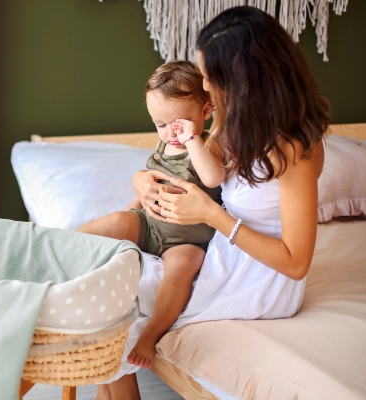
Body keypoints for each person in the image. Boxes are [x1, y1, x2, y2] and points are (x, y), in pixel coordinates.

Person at [96, 6, 330, 399]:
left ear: (240, 78)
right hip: (226, 251)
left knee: (113, 303)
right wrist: (141, 181)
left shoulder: (294, 148)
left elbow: (295, 263)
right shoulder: (237, 122)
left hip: (261, 277)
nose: (204, 87)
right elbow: (185, 164)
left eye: (208, 78)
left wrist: (210, 214)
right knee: (106, 282)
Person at [78, 59, 225, 373]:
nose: (170, 132)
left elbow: (212, 178)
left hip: (186, 239)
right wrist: (132, 212)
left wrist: (192, 138)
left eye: (180, 122)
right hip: (150, 226)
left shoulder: (209, 144)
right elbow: (149, 189)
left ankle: (152, 332)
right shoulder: (164, 144)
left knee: (183, 266)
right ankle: (57, 251)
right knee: (115, 221)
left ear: (206, 111)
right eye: (160, 124)